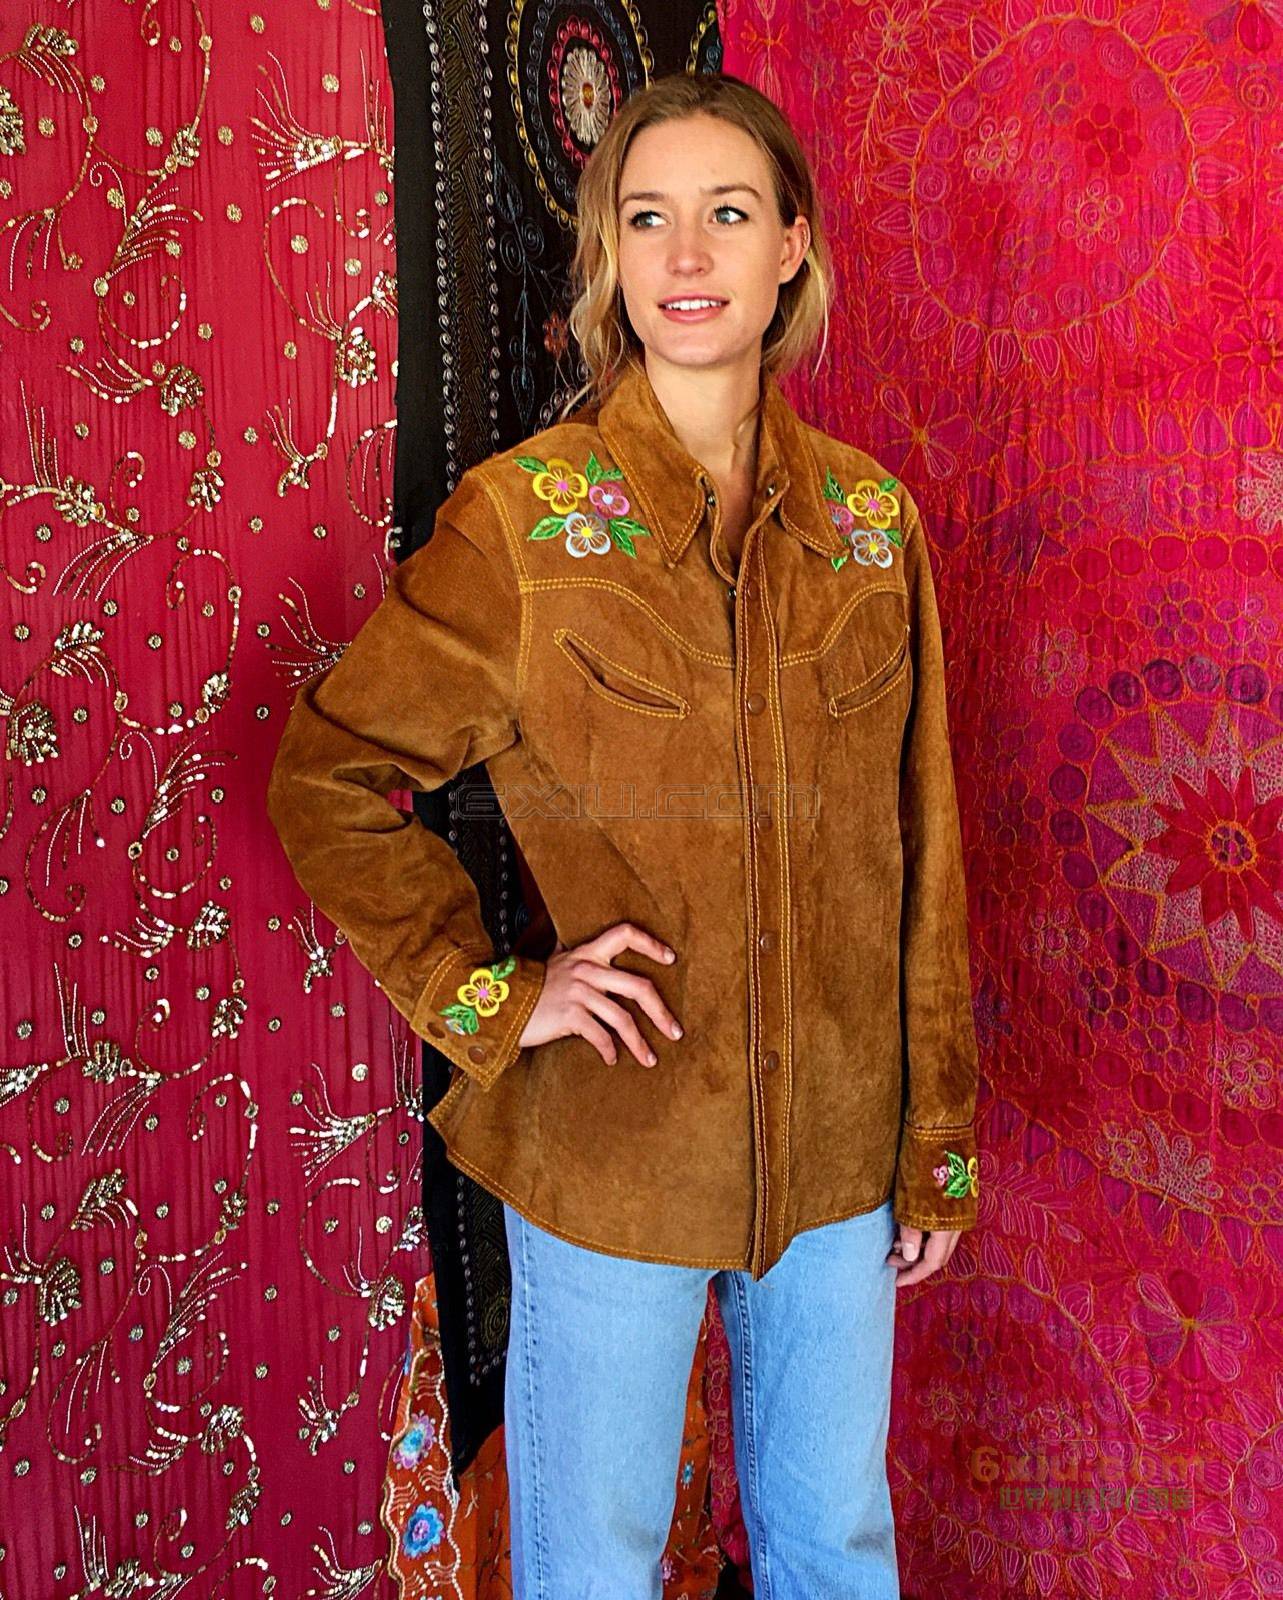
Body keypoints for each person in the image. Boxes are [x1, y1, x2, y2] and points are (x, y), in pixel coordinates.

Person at [267, 70, 980, 1600]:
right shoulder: (528, 526)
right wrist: (496, 995)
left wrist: (937, 1146)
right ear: (609, 254)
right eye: (647, 218)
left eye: (728, 212)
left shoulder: (874, 529)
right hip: (616, 1157)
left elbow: (924, 859)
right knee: (592, 1565)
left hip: (840, 1165)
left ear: (791, 244)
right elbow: (326, 775)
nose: (688, 254)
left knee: (838, 1549)